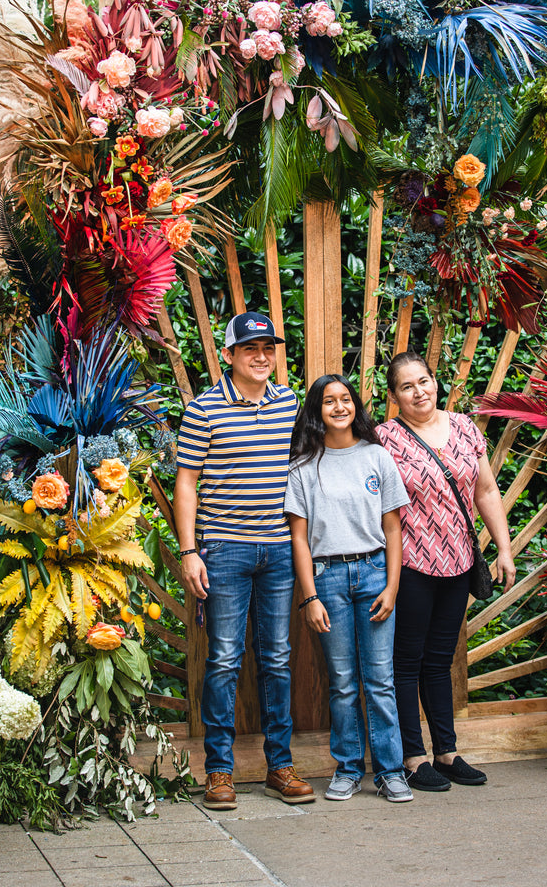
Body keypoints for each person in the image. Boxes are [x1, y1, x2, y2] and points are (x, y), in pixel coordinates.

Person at [174, 311, 315, 810]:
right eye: (251, 348)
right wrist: (190, 552)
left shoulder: (288, 403)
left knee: (277, 660)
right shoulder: (204, 410)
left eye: (269, 348)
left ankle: (280, 767)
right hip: (225, 550)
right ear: (228, 355)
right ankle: (218, 773)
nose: (262, 356)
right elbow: (186, 484)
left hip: (278, 548)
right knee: (224, 661)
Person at [376, 351, 516, 792]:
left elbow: (486, 490)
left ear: (436, 381)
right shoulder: (384, 439)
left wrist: (504, 549)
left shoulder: (465, 428)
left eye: (424, 381)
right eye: (407, 386)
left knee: (439, 660)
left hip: (459, 561)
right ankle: (413, 758)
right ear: (394, 396)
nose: (419, 392)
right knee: (406, 662)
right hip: (411, 563)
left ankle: (447, 752)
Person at [284, 374, 413, 803]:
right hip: (329, 580)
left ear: (355, 405)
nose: (339, 407)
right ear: (316, 411)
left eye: (345, 399)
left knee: (380, 680)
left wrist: (392, 587)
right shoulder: (303, 466)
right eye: (328, 401)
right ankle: (348, 768)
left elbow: (393, 530)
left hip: (374, 574)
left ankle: (391, 771)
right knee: (341, 681)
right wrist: (310, 596)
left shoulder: (376, 457)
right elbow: (298, 538)